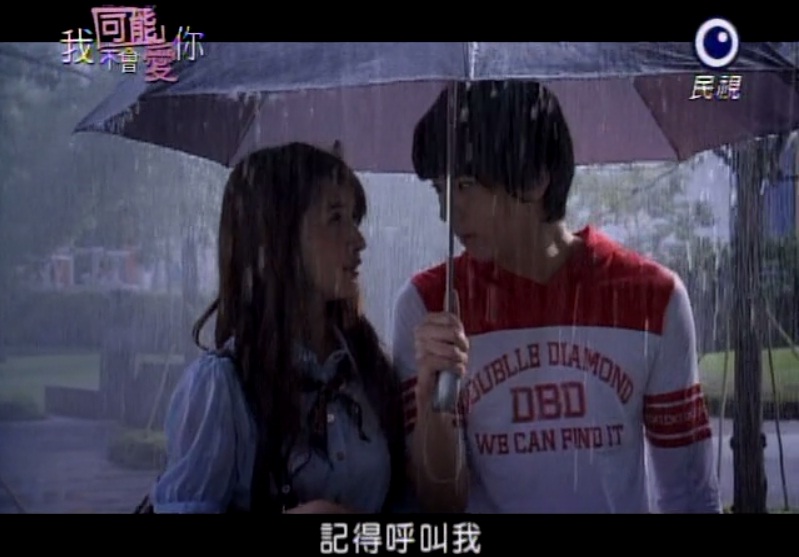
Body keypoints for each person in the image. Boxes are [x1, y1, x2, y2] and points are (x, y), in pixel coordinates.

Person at [393, 80, 722, 513]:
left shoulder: (652, 298)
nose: (447, 212)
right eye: (441, 189)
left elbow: (689, 492)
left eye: (466, 185)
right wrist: (433, 399)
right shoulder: (427, 305)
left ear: (535, 180)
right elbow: (439, 503)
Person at [149, 142, 407, 513]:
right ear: (277, 236)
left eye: (355, 218)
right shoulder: (224, 387)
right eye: (336, 218)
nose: (359, 240)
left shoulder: (367, 371)